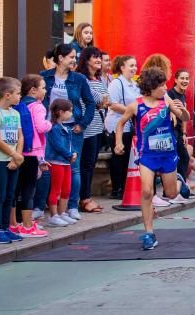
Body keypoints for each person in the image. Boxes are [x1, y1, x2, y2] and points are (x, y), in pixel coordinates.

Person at [113, 67, 189, 250]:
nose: (165, 88)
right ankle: (149, 233)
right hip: (147, 155)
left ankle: (179, 181)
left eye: (165, 85)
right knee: (146, 192)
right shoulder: (136, 105)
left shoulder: (166, 100)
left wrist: (183, 110)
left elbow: (184, 117)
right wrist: (118, 142)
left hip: (167, 154)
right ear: (150, 87)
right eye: (161, 86)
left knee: (171, 194)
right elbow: (120, 123)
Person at [40, 44, 95, 222]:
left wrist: (82, 123)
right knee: (47, 167)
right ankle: (42, 207)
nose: (74, 60)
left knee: (74, 167)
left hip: (72, 128)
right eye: (71, 56)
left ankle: (71, 206)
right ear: (61, 58)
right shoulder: (44, 76)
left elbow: (90, 102)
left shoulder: (78, 78)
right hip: (49, 127)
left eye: (75, 56)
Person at [0, 77, 24, 244]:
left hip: (14, 160)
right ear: (7, 95)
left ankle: (6, 227)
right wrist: (13, 154)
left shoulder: (15, 113)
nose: (20, 96)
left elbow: (20, 135)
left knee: (10, 195)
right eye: (18, 93)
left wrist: (18, 156)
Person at [12, 75, 49, 237]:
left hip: (19, 150)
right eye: (43, 87)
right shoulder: (38, 106)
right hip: (33, 151)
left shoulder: (19, 104)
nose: (45, 91)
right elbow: (41, 127)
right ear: (33, 90)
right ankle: (27, 225)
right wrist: (51, 123)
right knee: (29, 188)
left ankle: (14, 223)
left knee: (16, 188)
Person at [76, 47, 109, 214]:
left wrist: (101, 101)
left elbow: (106, 100)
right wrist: (100, 102)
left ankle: (86, 196)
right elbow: (98, 99)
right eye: (95, 57)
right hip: (86, 126)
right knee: (85, 165)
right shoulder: (81, 78)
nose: (98, 60)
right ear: (86, 59)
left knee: (90, 164)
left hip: (98, 126)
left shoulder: (98, 79)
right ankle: (84, 198)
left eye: (99, 58)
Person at [105, 55, 139, 200]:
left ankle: (124, 186)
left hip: (129, 124)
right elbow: (112, 103)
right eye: (131, 65)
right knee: (119, 157)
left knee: (126, 157)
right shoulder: (116, 83)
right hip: (117, 123)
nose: (134, 68)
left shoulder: (134, 84)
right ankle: (117, 188)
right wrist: (129, 111)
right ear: (122, 67)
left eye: (135, 65)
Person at [44, 99, 77, 227]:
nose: (71, 114)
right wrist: (70, 155)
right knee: (56, 189)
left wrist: (74, 153)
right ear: (61, 112)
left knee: (66, 188)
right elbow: (58, 146)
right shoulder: (54, 128)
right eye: (70, 111)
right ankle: (53, 215)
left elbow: (70, 145)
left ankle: (62, 212)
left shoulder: (66, 128)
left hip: (66, 162)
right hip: (57, 161)